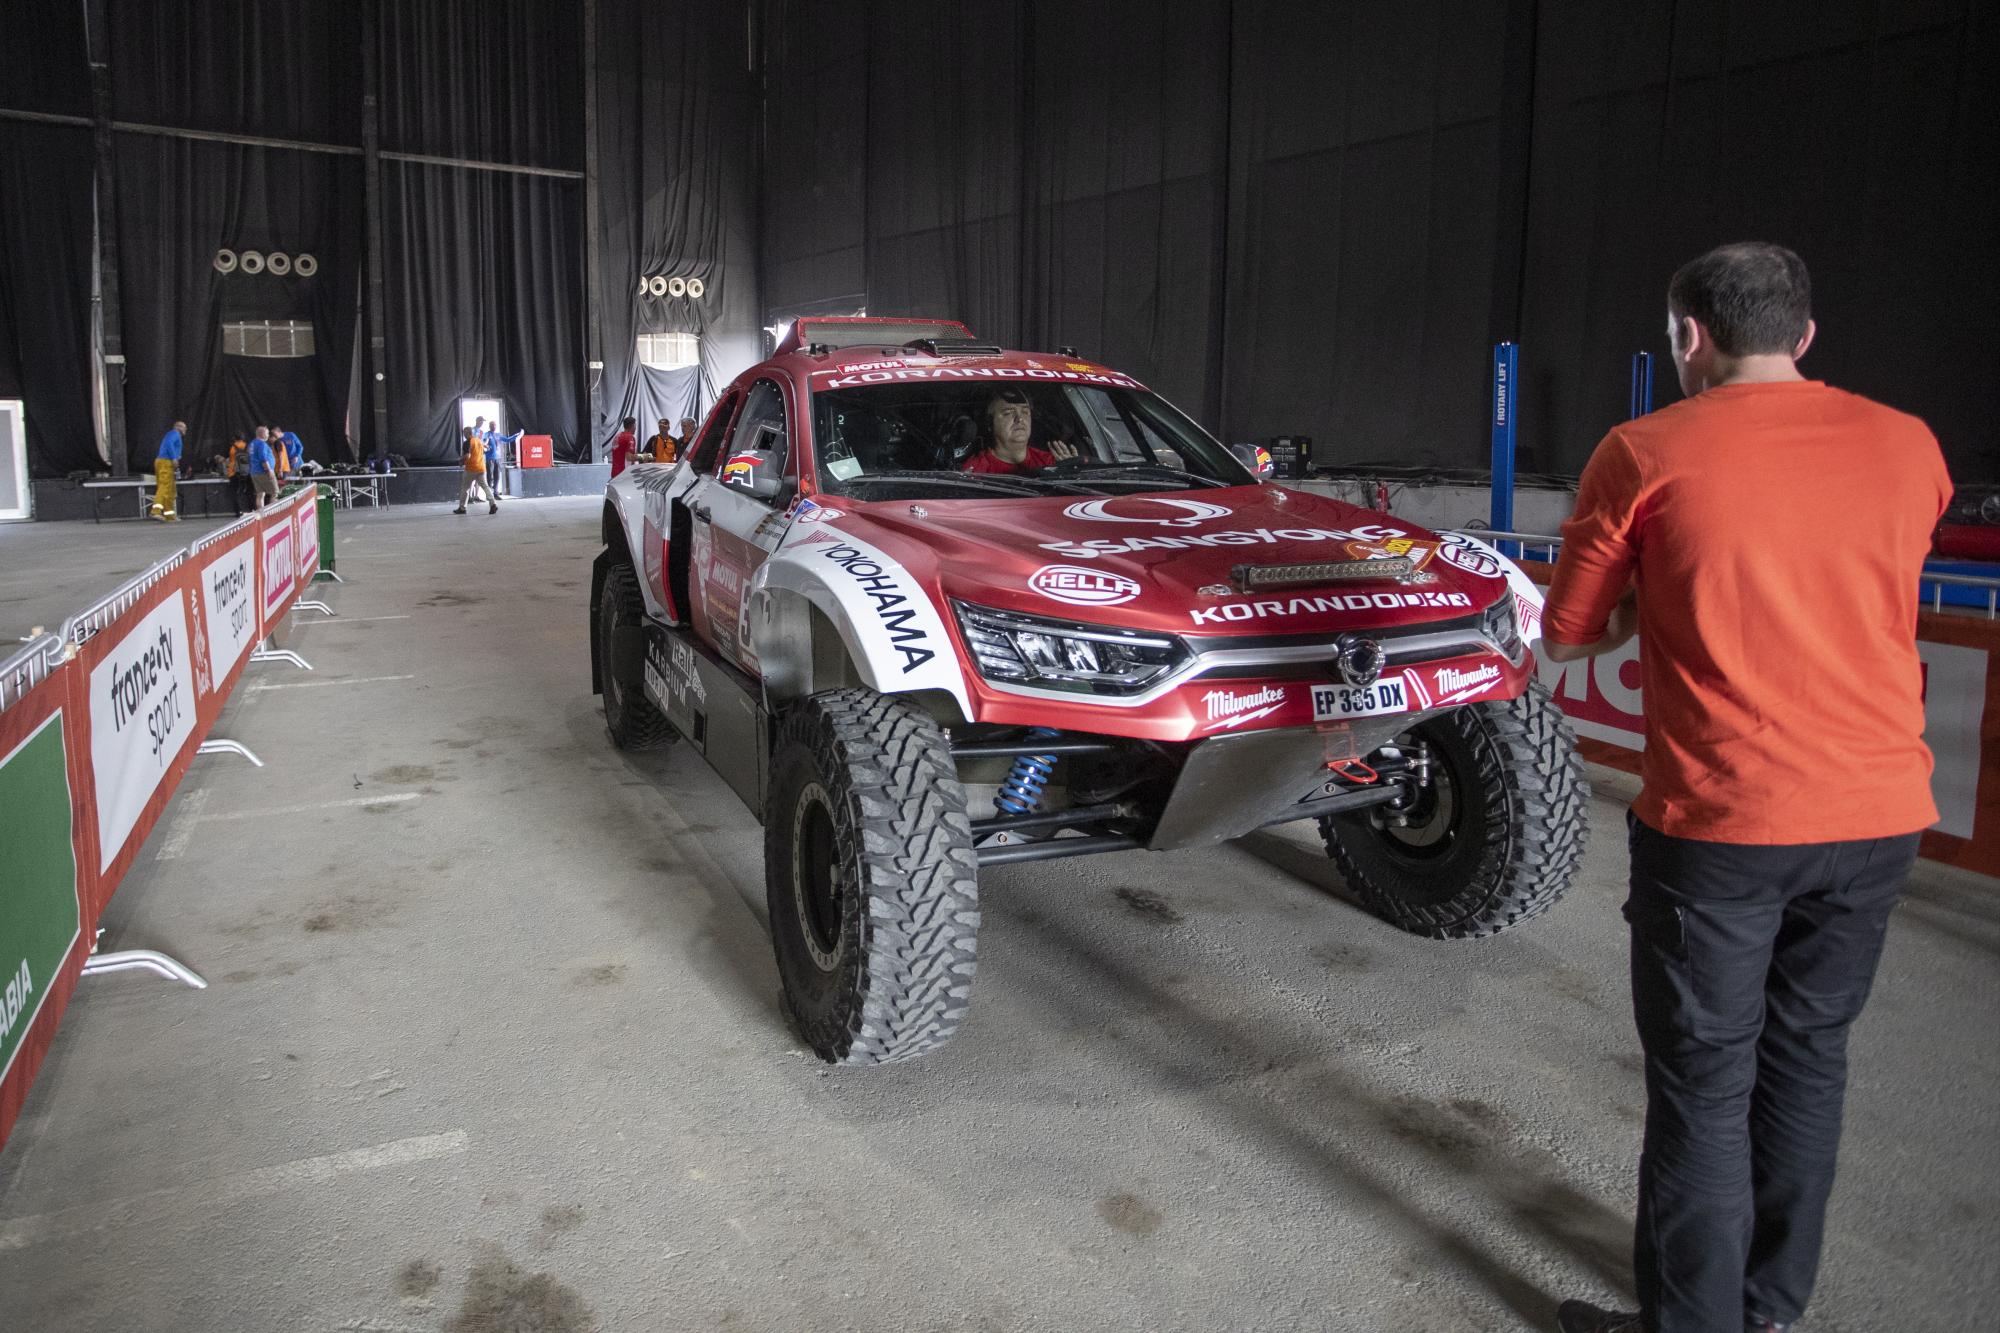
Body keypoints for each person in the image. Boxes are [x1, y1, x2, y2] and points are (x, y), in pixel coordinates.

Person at [1543, 243, 1952, 1333]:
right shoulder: (1909, 446)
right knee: (1808, 1060)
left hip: (1722, 823)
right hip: (1877, 818)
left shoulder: (1642, 450)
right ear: (1802, 335)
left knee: (1704, 1087)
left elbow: (1570, 632)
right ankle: (1768, 1306)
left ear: (1687, 336)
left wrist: (1654, 602)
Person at [959, 389, 1077, 474]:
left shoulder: (1051, 462)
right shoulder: (976, 471)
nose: (1019, 419)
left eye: (1025, 412)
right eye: (1009, 413)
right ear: (990, 423)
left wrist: (1073, 472)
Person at [149, 420, 187, 520]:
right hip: (166, 461)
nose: (185, 430)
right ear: (178, 427)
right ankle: (155, 511)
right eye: (184, 427)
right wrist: (174, 457)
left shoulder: (171, 435)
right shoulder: (175, 434)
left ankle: (169, 515)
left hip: (165, 462)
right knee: (164, 486)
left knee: (170, 489)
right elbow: (169, 443)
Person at [455, 425, 496, 515]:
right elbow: (485, 448)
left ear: (467, 433)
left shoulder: (467, 443)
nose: (464, 435)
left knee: (465, 488)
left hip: (471, 468)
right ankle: (493, 503)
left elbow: (467, 456)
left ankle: (462, 508)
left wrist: (460, 460)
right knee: (485, 486)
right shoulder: (478, 440)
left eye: (464, 433)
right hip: (481, 467)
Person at [245, 427, 282, 510]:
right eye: (267, 433)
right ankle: (273, 514)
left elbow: (250, 457)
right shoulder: (262, 444)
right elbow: (263, 458)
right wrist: (269, 470)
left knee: (260, 494)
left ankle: (261, 514)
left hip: (254, 472)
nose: (268, 435)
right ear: (262, 434)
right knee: (275, 493)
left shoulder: (252, 443)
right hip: (263, 472)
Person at [223, 436, 253, 515]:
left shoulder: (232, 447)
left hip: (234, 472)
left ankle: (239, 511)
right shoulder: (248, 446)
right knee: (250, 491)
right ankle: (251, 508)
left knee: (236, 492)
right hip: (248, 471)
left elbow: (226, 458)